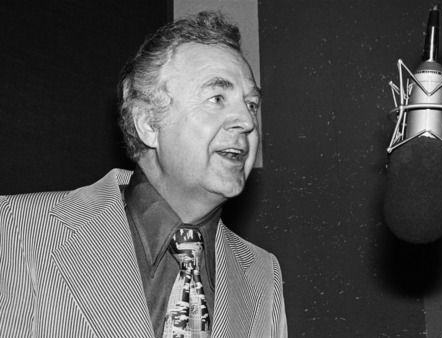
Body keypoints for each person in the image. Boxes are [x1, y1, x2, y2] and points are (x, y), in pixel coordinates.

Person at [0, 11, 287, 338]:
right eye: (217, 98)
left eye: (251, 104)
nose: (247, 122)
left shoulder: (264, 276)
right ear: (149, 124)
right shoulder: (17, 230)